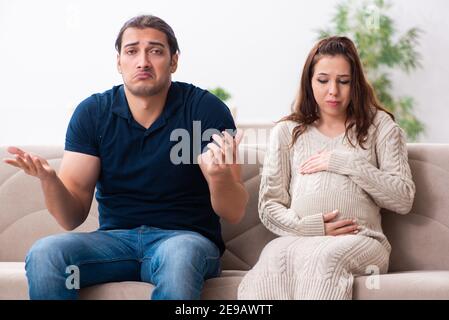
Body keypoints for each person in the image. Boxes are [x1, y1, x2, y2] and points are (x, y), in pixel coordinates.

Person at [3, 15, 248, 300]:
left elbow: (233, 211)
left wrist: (218, 177)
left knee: (180, 256)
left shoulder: (205, 110)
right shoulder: (93, 113)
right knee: (46, 253)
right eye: (132, 51)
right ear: (119, 61)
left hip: (183, 240)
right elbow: (71, 218)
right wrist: (49, 180)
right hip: (114, 244)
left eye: (155, 51)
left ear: (174, 61)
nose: (142, 61)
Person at [237, 36, 415, 300]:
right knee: (274, 256)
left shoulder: (380, 127)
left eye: (343, 81)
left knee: (326, 258)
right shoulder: (287, 132)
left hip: (363, 241)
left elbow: (403, 198)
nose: (333, 90)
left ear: (355, 83)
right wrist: (310, 227)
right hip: (300, 239)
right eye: (323, 80)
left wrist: (346, 162)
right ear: (309, 81)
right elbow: (270, 206)